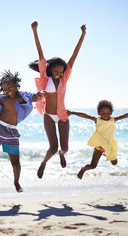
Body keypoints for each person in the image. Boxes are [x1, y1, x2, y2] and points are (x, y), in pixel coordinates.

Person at [29, 21, 86, 178]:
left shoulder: (64, 79)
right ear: (50, 69)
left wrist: (83, 35)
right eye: (56, 71)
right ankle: (43, 163)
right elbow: (41, 54)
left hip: (61, 116)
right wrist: (34, 31)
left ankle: (62, 154)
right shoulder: (44, 78)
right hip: (48, 114)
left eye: (61, 72)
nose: (59, 73)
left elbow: (74, 56)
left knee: (64, 148)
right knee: (52, 148)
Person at [0, 70, 43, 192]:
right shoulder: (3, 100)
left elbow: (35, 97)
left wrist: (40, 95)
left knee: (15, 162)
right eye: (5, 89)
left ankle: (16, 182)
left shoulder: (24, 97)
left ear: (16, 85)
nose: (7, 90)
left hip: (12, 132)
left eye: (10, 86)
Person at [67, 100, 128, 179]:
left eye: (108, 113)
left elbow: (125, 116)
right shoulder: (97, 120)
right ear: (99, 113)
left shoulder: (113, 120)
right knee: (93, 166)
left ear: (111, 113)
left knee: (114, 163)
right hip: (100, 145)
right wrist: (72, 112)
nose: (106, 115)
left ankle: (105, 153)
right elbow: (85, 116)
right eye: (103, 113)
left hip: (110, 145)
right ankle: (83, 169)